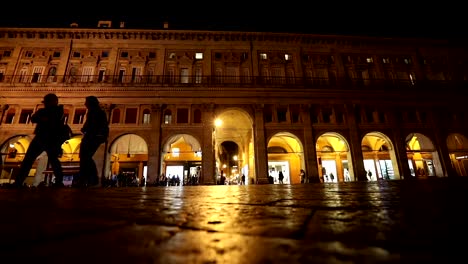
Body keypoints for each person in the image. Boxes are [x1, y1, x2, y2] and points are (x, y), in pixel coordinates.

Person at [14, 93, 65, 188]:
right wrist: (45, 119)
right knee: (53, 160)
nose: (45, 103)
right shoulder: (56, 111)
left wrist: (43, 118)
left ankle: (19, 181)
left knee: (29, 160)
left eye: (46, 102)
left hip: (45, 138)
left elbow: (37, 118)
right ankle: (59, 181)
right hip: (48, 138)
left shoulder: (55, 111)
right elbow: (34, 118)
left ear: (52, 102)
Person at [76, 96, 109, 187]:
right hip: (94, 137)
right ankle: (89, 179)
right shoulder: (96, 112)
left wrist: (85, 129)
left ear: (91, 103)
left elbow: (93, 125)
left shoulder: (95, 112)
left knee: (85, 157)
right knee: (86, 157)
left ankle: (89, 179)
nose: (85, 104)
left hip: (92, 137)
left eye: (86, 102)